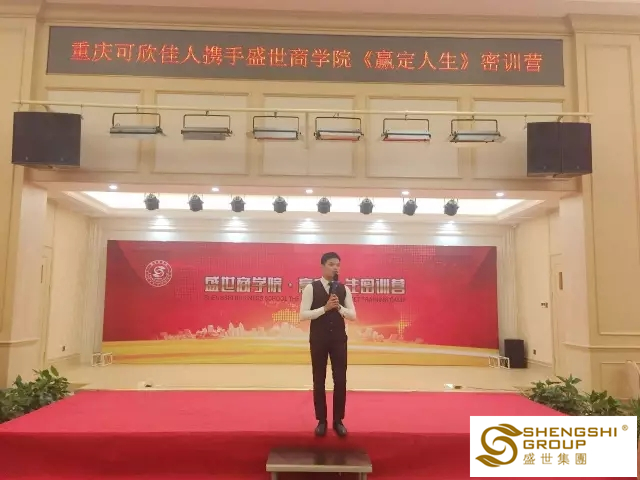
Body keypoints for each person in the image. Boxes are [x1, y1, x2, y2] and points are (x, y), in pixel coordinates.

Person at [299, 252, 356, 437]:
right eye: (331, 264)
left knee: (340, 380)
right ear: (322, 266)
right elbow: (303, 315)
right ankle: (321, 421)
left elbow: (353, 315)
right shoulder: (311, 288)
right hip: (319, 339)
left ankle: (338, 420)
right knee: (319, 379)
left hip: (339, 340)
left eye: (338, 265)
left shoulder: (344, 289)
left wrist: (338, 307)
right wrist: (325, 308)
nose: (335, 268)